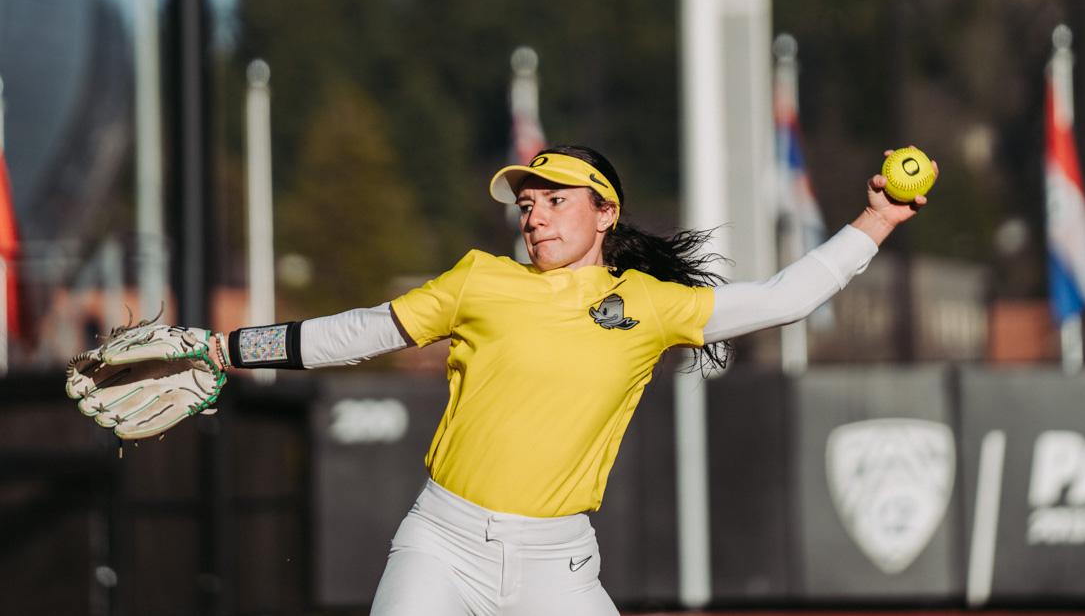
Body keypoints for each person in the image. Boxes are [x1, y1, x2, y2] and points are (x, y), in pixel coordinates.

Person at [213, 144, 933, 615]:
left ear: (606, 212)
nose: (535, 214)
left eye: (557, 198)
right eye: (527, 203)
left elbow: (785, 297)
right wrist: (225, 348)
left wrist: (874, 220)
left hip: (555, 563)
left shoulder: (649, 306)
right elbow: (361, 331)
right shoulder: (481, 280)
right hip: (442, 542)